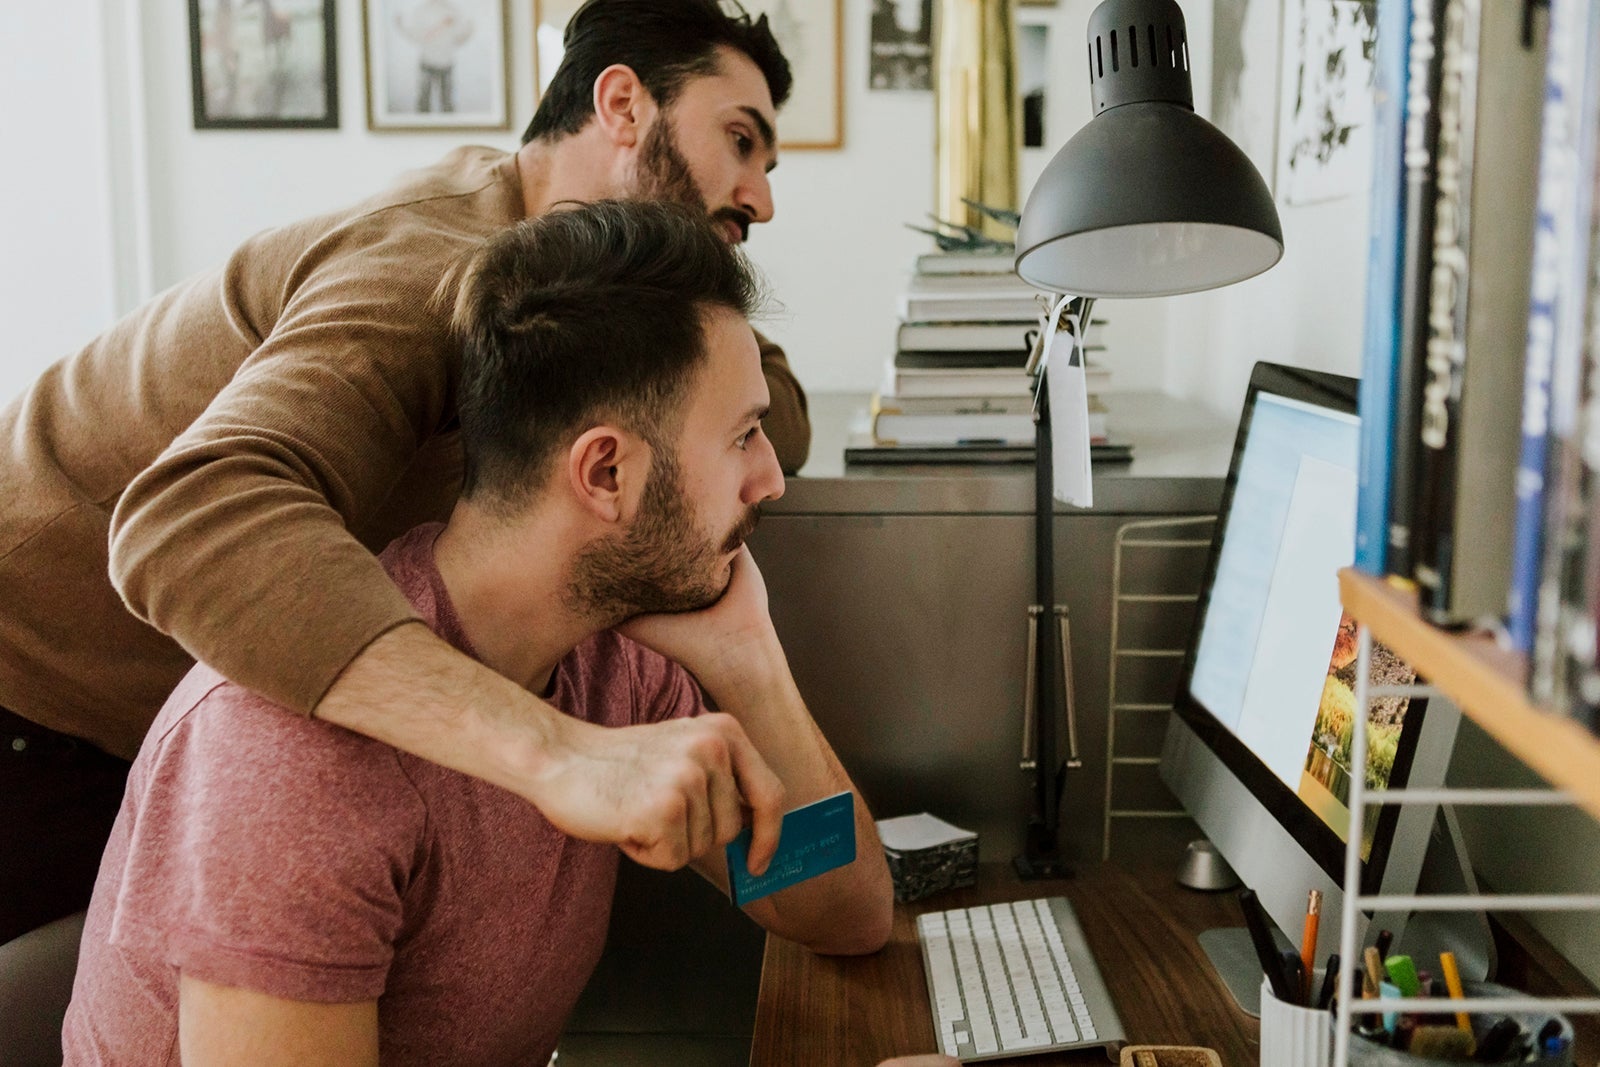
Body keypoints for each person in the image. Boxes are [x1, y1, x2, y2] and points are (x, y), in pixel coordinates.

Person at [0, 0, 811, 946]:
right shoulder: (433, 263)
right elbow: (193, 516)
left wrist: (756, 666)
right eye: (740, 140)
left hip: (183, 698)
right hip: (33, 685)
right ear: (623, 105)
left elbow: (834, 903)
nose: (760, 198)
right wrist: (558, 755)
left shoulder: (562, 287)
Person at [62, 200, 890, 1064]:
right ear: (606, 470)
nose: (771, 478)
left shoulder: (613, 658)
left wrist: (750, 660)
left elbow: (840, 911)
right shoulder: (291, 756)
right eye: (744, 435)